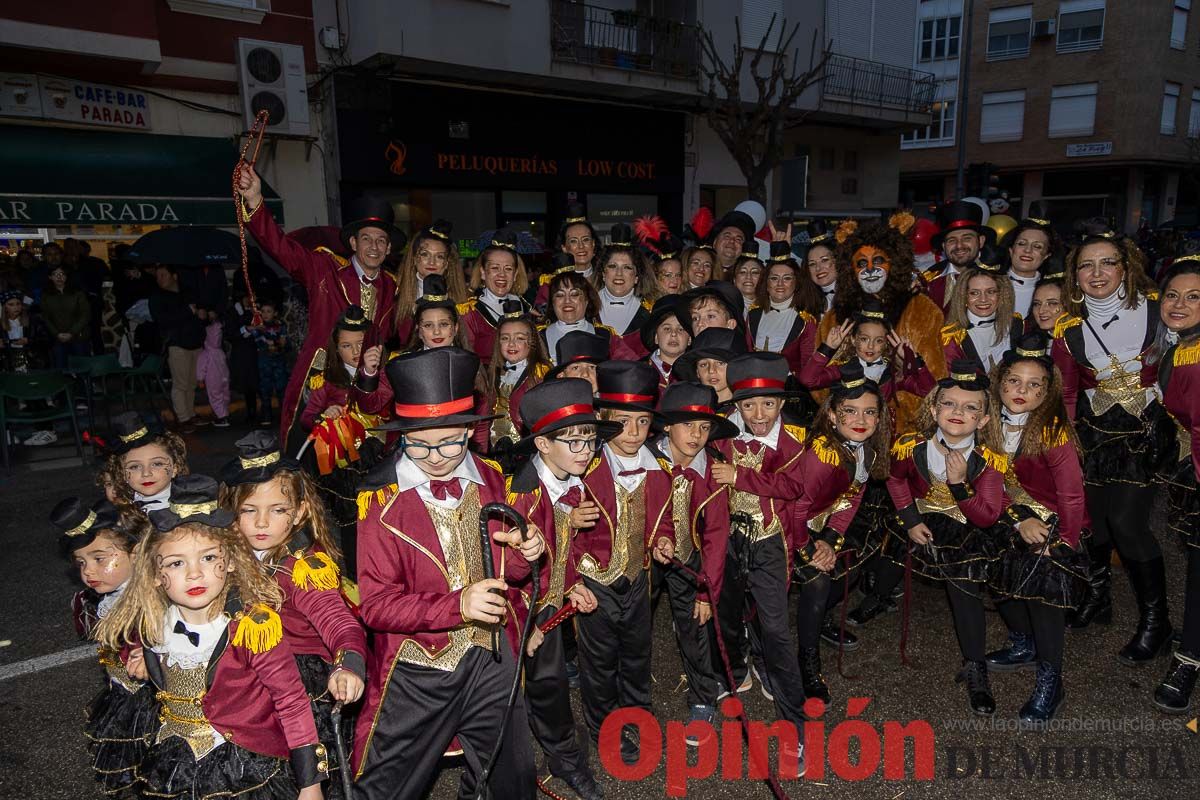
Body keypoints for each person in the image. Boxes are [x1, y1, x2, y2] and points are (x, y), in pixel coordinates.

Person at [352, 347, 542, 800]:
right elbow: (376, 606)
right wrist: (456, 604)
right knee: (385, 786)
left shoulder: (493, 479)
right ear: (400, 436)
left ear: (469, 431)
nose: (436, 456)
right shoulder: (378, 502)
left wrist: (528, 551)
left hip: (492, 655)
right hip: (419, 667)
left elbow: (510, 569)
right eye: (418, 443)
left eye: (450, 441)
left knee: (511, 777)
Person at [96, 474, 329, 800]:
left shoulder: (254, 628)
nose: (194, 573)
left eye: (208, 558)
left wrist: (310, 782)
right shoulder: (153, 626)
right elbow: (127, 649)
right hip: (176, 760)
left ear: (231, 561)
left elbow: (291, 701)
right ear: (156, 575)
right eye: (177, 563)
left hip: (242, 761)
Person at [1052, 220, 1175, 664]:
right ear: (1075, 275)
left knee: (1128, 524)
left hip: (1144, 437)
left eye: (1108, 263)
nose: (1098, 273)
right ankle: (1098, 599)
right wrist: (1064, 446)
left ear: (1127, 267)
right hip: (1093, 438)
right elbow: (1066, 393)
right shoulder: (1067, 329)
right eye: (1087, 266)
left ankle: (1156, 622)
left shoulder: (1160, 309)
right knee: (1096, 525)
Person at [220, 432, 366, 796]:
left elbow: (339, 621)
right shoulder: (222, 554)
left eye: (277, 510)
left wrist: (348, 662)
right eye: (249, 510)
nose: (261, 523)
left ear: (300, 511)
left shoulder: (304, 568)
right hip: (244, 671)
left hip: (298, 682)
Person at [504, 378, 614, 800]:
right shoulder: (523, 494)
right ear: (543, 445)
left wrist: (571, 587)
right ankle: (546, 762)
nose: (586, 451)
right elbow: (499, 571)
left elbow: (558, 548)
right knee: (528, 692)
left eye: (590, 440)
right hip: (516, 612)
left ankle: (561, 755)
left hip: (545, 605)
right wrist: (523, 625)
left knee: (549, 685)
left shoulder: (568, 478)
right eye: (575, 441)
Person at [237, 166, 401, 445]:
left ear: (388, 249)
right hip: (321, 379)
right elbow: (282, 249)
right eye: (366, 239)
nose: (373, 247)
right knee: (313, 452)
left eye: (381, 241)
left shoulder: (393, 286)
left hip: (368, 385)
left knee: (368, 453)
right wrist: (255, 201)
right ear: (352, 243)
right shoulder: (324, 269)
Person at [886, 362, 1007, 714]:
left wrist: (958, 484)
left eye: (971, 408)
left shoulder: (989, 461)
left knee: (964, 587)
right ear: (935, 409)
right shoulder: (911, 445)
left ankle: (975, 665)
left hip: (966, 525)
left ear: (983, 421)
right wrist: (909, 519)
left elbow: (986, 516)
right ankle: (879, 595)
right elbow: (894, 481)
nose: (958, 413)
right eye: (950, 404)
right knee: (885, 564)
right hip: (919, 517)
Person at [709, 352, 807, 772]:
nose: (758, 413)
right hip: (728, 541)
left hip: (769, 545)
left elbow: (793, 486)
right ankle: (739, 668)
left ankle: (795, 725)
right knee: (726, 615)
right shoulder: (724, 435)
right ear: (736, 405)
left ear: (782, 403)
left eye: (768, 403)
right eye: (748, 405)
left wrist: (740, 477)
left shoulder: (797, 440)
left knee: (777, 631)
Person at [983, 333, 1087, 727]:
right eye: (1014, 381)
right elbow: (986, 485)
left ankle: (1051, 676)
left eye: (1033, 384)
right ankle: (1023, 641)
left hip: (1058, 522)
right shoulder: (987, 424)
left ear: (1048, 392)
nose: (1021, 390)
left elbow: (1073, 497)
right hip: (1010, 515)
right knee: (993, 572)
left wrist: (1062, 545)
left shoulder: (1053, 431)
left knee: (1045, 591)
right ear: (1000, 383)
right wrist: (1017, 519)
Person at [573, 361, 674, 761]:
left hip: (638, 578)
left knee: (637, 653)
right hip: (594, 583)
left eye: (643, 423)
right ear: (602, 420)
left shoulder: (659, 469)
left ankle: (637, 715)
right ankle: (604, 728)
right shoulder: (582, 470)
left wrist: (662, 540)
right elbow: (554, 529)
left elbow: (662, 518)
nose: (633, 434)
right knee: (598, 663)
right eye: (622, 422)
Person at [790, 363, 891, 703]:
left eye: (869, 411)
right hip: (787, 525)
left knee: (851, 567)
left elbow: (852, 497)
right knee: (818, 582)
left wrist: (832, 540)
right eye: (850, 411)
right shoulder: (822, 453)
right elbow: (796, 509)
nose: (860, 419)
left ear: (879, 418)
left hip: (822, 522)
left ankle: (819, 621)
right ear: (832, 415)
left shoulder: (866, 448)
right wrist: (813, 550)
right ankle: (807, 660)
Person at [50, 497, 151, 796]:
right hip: (123, 693)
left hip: (151, 703)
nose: (88, 571)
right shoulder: (106, 599)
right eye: (82, 562)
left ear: (135, 554)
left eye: (100, 558)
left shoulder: (149, 602)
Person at [651, 382, 736, 736]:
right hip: (645, 558)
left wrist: (706, 591)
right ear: (667, 425)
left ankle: (703, 698)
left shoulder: (714, 471)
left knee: (695, 628)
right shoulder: (645, 460)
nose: (697, 435)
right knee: (635, 626)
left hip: (691, 557)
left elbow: (717, 536)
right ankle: (632, 703)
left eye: (704, 427)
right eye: (687, 425)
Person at [819, 215, 948, 429]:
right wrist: (849, 410)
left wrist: (898, 413)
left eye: (878, 261)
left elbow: (935, 377)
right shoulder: (836, 316)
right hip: (850, 425)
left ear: (895, 263)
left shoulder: (921, 310)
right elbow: (818, 383)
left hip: (904, 429)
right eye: (862, 263)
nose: (870, 269)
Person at [299, 306, 387, 579]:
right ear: (336, 349)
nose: (355, 351)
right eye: (347, 346)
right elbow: (307, 418)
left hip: (379, 454)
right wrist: (324, 415)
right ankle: (353, 575)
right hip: (343, 462)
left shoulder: (384, 375)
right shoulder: (325, 382)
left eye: (361, 344)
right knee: (349, 522)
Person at [1154, 258, 1200, 712]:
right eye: (1173, 295)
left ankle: (1187, 662)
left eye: (1194, 296)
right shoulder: (1182, 345)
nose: (1179, 304)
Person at [474, 301, 550, 454]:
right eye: (505, 338)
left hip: (528, 453)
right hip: (496, 452)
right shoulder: (493, 375)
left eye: (520, 338)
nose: (511, 344)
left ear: (532, 342)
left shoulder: (541, 374)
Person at [459, 229, 532, 364]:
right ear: (482, 272)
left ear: (515, 275)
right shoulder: (469, 312)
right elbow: (466, 359)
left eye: (508, 269)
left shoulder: (524, 306)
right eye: (495, 268)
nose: (502, 275)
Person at [940, 259, 1023, 377]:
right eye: (974, 293)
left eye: (991, 292)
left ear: (1002, 294)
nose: (983, 299)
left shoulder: (1016, 324)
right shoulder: (951, 337)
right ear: (963, 296)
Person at [749, 241, 820, 374]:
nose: (780, 284)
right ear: (766, 283)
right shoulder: (753, 314)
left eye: (787, 278)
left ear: (796, 283)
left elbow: (807, 368)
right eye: (774, 278)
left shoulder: (806, 321)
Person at [149, 265, 205, 431]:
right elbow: (163, 320)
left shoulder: (187, 292)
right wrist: (187, 311)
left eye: (163, 275)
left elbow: (197, 312)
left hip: (195, 342)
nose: (160, 279)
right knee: (180, 383)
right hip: (177, 344)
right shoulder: (157, 297)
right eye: (157, 276)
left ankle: (190, 413)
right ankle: (183, 417)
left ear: (174, 275)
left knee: (191, 382)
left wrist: (201, 315)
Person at [393, 219, 467, 345]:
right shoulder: (394, 296)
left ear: (447, 263)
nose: (432, 262)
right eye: (425, 254)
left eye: (439, 256)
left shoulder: (465, 301)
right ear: (415, 259)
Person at [102, 411, 190, 517]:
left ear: (175, 468)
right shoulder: (120, 509)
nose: (146, 473)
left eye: (157, 464)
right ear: (122, 472)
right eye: (134, 467)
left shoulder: (188, 510)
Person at [592, 223, 658, 358]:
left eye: (627, 267)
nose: (619, 273)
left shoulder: (652, 312)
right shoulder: (586, 308)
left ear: (636, 277)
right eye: (612, 266)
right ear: (603, 274)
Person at [540, 269, 627, 364]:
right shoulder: (537, 338)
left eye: (575, 294)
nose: (567, 301)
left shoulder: (607, 336)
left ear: (587, 301)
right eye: (560, 295)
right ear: (552, 303)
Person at [923, 200, 993, 310]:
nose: (959, 246)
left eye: (967, 238)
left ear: (981, 241)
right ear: (943, 246)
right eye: (952, 240)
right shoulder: (928, 281)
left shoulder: (998, 276)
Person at [534, 203, 598, 308]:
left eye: (586, 239)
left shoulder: (607, 277)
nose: (581, 246)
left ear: (593, 244)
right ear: (564, 247)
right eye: (573, 241)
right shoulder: (550, 283)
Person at [672, 327, 748, 407]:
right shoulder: (690, 411)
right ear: (697, 372)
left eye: (720, 363)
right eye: (703, 365)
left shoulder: (748, 412)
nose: (711, 370)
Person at [1001, 217, 1061, 317]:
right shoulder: (990, 283)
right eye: (1022, 243)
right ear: (1011, 250)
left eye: (1037, 246)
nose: (1028, 250)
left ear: (1046, 255)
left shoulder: (1055, 291)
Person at [401, 274, 468, 352]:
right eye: (428, 325)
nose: (436, 332)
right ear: (418, 330)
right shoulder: (404, 363)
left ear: (456, 328)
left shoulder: (470, 362)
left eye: (444, 324)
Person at [250, 299, 290, 429]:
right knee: (265, 390)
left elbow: (284, 344)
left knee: (281, 389)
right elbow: (260, 342)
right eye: (263, 312)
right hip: (264, 363)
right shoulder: (258, 327)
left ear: (275, 313)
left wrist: (277, 343)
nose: (265, 314)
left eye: (269, 311)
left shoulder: (280, 325)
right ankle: (266, 414)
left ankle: (284, 416)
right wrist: (274, 343)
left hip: (279, 363)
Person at [42, 264, 91, 368]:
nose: (59, 277)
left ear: (67, 276)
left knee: (82, 368)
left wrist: (72, 333)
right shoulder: (46, 295)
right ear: (50, 277)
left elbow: (85, 315)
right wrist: (56, 334)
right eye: (55, 274)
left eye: (62, 274)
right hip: (58, 337)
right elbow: (46, 317)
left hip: (78, 336)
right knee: (61, 369)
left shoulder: (78, 293)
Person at [639, 295, 690, 392]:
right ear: (656, 337)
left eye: (680, 329)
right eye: (667, 329)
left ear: (690, 339)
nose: (674, 334)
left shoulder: (698, 372)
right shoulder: (638, 370)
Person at [196, 318, 231, 428]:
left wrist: (200, 379)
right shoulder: (220, 351)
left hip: (213, 380)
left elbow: (201, 367)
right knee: (224, 396)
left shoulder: (205, 353)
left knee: (215, 397)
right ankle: (224, 414)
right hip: (224, 378)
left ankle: (222, 418)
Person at [805, 220, 838, 312]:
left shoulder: (857, 296)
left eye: (824, 260)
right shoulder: (806, 301)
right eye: (812, 264)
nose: (818, 268)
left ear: (837, 261)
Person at [711, 209, 757, 273]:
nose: (732, 241)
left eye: (738, 239)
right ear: (715, 242)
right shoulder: (699, 270)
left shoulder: (749, 276)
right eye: (727, 236)